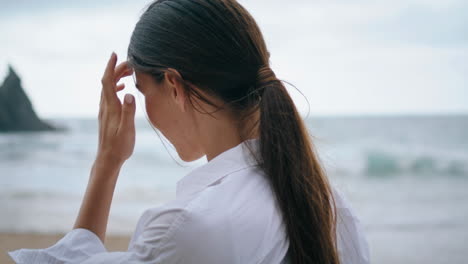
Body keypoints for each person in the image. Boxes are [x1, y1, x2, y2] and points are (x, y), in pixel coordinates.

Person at [8, 0, 370, 263]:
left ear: (175, 87)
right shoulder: (333, 207)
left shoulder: (188, 229)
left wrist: (106, 162)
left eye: (143, 90)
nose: (145, 109)